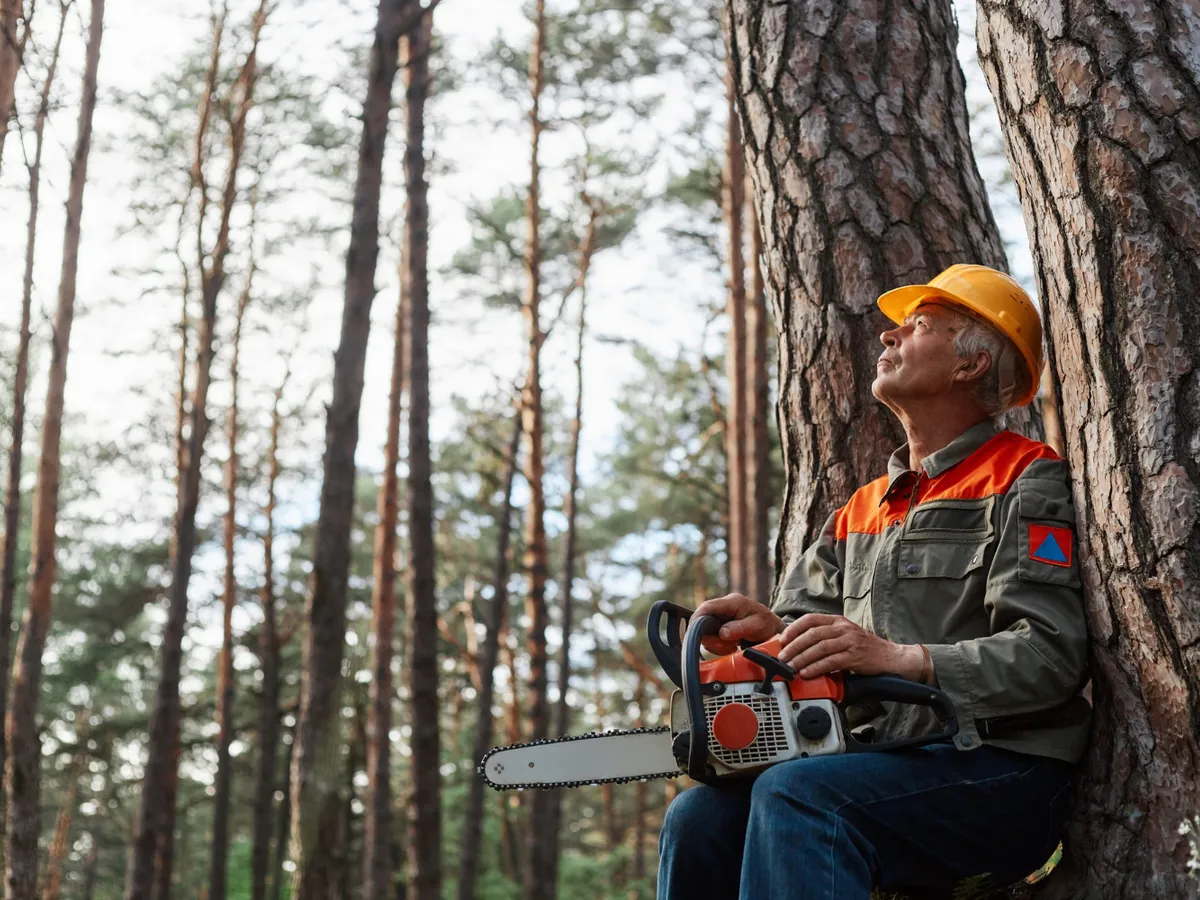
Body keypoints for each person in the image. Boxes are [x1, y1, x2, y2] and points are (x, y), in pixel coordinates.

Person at [657, 264, 1090, 900]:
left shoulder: (1026, 479)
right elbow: (796, 636)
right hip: (876, 765)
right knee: (699, 817)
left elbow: (1051, 656)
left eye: (917, 327)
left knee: (800, 795)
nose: (888, 338)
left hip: (1003, 769)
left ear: (970, 365)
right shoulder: (861, 510)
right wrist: (767, 636)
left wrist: (901, 660)